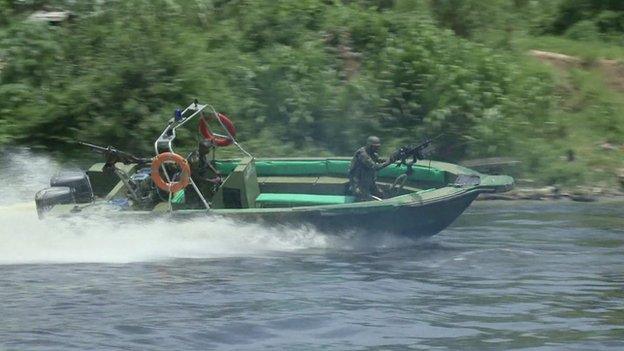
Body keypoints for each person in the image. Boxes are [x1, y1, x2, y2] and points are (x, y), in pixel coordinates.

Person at [348, 136, 396, 201]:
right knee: (365, 199)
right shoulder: (363, 154)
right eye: (375, 147)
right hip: (358, 183)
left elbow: (378, 160)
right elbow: (374, 167)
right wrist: (389, 162)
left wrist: (391, 158)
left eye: (377, 147)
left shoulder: (372, 154)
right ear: (369, 146)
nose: (377, 149)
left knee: (381, 195)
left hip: (369, 181)